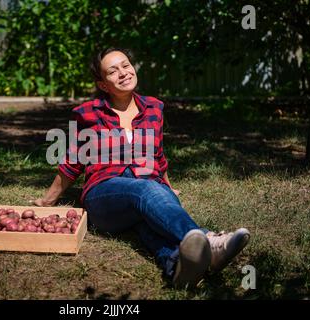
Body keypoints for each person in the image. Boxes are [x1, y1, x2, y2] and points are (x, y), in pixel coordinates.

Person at [33, 47, 250, 288]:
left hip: (148, 188)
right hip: (104, 194)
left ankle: (177, 265)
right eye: (113, 71)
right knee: (145, 190)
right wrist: (47, 201)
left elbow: (157, 156)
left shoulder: (154, 108)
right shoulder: (88, 113)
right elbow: (73, 160)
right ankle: (210, 242)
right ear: (103, 84)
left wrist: (168, 189)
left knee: (146, 216)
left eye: (126, 65)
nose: (123, 73)